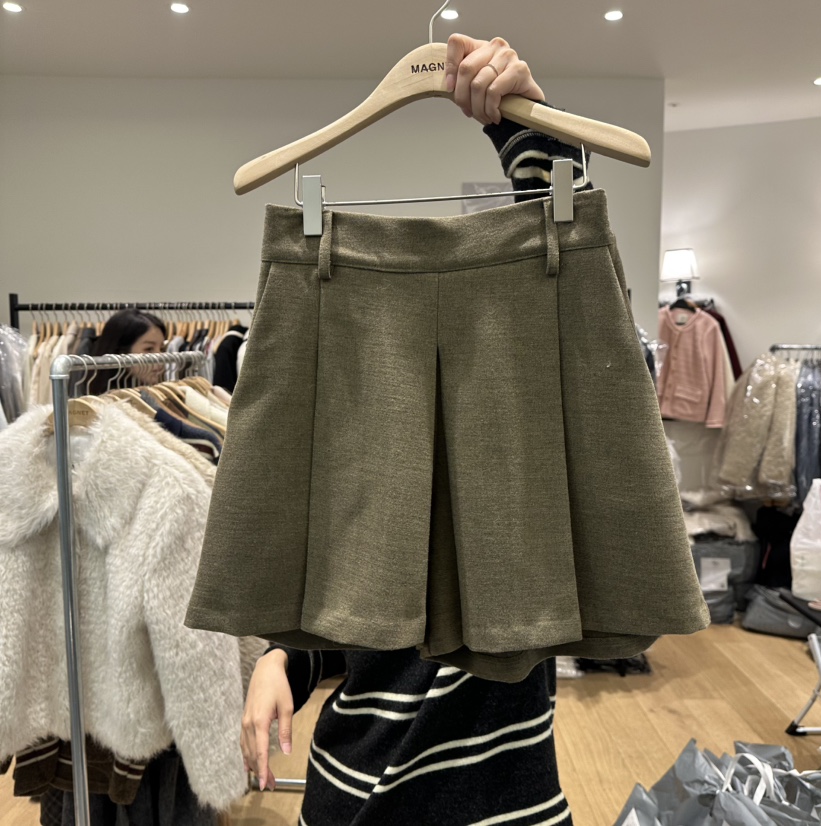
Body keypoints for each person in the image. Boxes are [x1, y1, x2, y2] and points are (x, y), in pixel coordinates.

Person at [241, 34, 584, 826]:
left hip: (507, 797)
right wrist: (280, 658)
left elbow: (561, 249)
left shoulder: (520, 439)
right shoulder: (353, 437)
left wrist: (524, 122)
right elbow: (332, 597)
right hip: (350, 794)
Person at [87, 307, 166, 395]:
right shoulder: (106, 401)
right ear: (122, 352)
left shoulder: (158, 395)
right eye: (149, 349)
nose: (160, 358)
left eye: (162, 349)